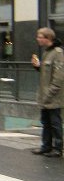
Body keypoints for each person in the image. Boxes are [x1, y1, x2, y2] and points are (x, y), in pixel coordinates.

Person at [30, 27, 64, 158]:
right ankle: (46, 146)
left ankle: (58, 148)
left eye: (40, 37)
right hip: (45, 96)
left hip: (54, 97)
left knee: (55, 123)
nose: (38, 39)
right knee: (46, 122)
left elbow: (59, 77)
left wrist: (50, 93)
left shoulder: (58, 53)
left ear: (48, 38)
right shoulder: (46, 53)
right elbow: (45, 73)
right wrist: (37, 66)